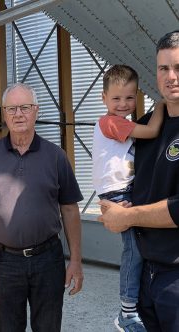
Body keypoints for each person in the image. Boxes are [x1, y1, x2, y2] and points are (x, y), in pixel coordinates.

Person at [0, 82, 84, 331]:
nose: (18, 114)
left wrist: (76, 260)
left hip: (48, 259)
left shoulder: (56, 156)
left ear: (36, 110)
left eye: (24, 107)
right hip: (4, 261)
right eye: (12, 108)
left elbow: (69, 209)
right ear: (4, 113)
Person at [98, 30, 179, 332]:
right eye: (164, 68)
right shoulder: (142, 128)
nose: (171, 76)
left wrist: (126, 216)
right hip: (147, 276)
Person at [92, 64, 164, 331]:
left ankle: (138, 304)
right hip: (118, 193)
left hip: (124, 189)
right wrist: (160, 107)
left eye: (130, 98)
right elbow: (152, 131)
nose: (123, 104)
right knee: (133, 251)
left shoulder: (120, 122)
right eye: (116, 98)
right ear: (104, 99)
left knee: (141, 247)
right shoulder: (110, 122)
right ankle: (127, 311)